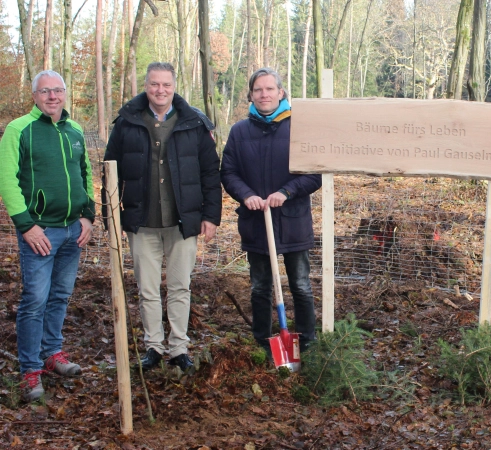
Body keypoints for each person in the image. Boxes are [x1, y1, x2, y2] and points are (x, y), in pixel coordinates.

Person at [104, 62, 222, 372]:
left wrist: (210, 215)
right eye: (154, 84)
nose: (160, 90)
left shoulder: (194, 123)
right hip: (140, 222)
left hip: (183, 222)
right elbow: (109, 172)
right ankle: (154, 347)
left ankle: (178, 348)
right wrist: (110, 218)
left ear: (174, 86)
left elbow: (211, 172)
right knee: (147, 289)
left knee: (181, 287)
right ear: (146, 86)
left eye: (166, 85)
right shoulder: (127, 122)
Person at [0, 70, 95, 401]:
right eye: (45, 91)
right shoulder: (19, 130)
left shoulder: (75, 130)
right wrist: (26, 225)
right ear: (34, 96)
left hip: (73, 230)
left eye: (58, 90)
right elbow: (7, 180)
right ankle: (29, 368)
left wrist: (89, 216)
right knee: (35, 299)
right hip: (40, 231)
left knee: (60, 295)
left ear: (65, 93)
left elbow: (85, 173)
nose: (52, 96)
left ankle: (52, 353)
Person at [221, 68, 321, 353]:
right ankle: (263, 342)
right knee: (260, 287)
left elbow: (315, 174)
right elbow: (228, 172)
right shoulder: (240, 132)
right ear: (251, 95)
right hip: (256, 221)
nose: (264, 94)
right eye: (258, 90)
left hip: (293, 220)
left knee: (301, 284)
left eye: (269, 89)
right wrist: (246, 195)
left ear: (281, 93)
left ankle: (308, 342)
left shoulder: (299, 127)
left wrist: (286, 192)